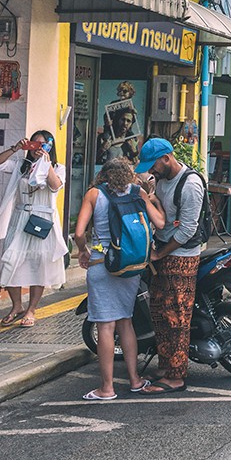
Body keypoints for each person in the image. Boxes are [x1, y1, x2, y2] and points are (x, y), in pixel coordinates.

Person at [74, 157, 165, 400]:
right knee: (126, 321)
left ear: (103, 174)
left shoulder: (94, 194)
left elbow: (79, 232)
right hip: (131, 264)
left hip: (102, 264)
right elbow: (160, 222)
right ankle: (135, 380)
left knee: (105, 325)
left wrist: (83, 251)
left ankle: (107, 388)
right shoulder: (137, 192)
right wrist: (153, 198)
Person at [136, 138, 206, 396]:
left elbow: (188, 229)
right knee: (159, 312)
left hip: (183, 256)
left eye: (152, 165)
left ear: (166, 158)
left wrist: (159, 254)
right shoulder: (162, 180)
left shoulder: (190, 185)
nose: (151, 171)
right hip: (163, 251)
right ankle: (166, 366)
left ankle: (177, 377)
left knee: (176, 316)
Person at [0, 130, 67, 328]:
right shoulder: (21, 166)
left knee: (38, 264)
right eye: (34, 144)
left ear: (49, 147)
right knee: (9, 259)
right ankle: (16, 306)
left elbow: (55, 186)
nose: (36, 148)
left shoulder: (57, 167)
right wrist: (15, 148)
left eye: (41, 145)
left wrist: (45, 164)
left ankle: (31, 309)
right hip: (20, 217)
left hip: (42, 219)